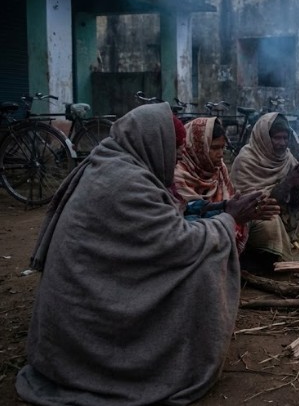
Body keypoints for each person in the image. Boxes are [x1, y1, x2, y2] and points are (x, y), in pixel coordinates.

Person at [15, 103, 279, 405]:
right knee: (204, 267)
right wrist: (229, 219)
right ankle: (172, 364)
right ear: (154, 142)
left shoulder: (111, 161)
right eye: (175, 149)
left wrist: (221, 210)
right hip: (87, 327)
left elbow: (177, 217)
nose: (178, 157)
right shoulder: (126, 181)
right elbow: (178, 243)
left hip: (81, 308)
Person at [231, 112, 299, 265]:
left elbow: (296, 203)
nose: (282, 143)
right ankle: (271, 260)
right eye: (277, 138)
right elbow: (252, 203)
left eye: (285, 138)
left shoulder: (287, 158)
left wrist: (297, 186)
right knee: (270, 220)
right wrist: (289, 182)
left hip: (286, 212)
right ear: (264, 137)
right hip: (255, 216)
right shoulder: (246, 160)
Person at [175, 117, 248, 253]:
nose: (220, 154)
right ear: (198, 146)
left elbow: (228, 201)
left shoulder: (219, 169)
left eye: (222, 147)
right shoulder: (179, 174)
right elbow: (184, 218)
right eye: (214, 148)